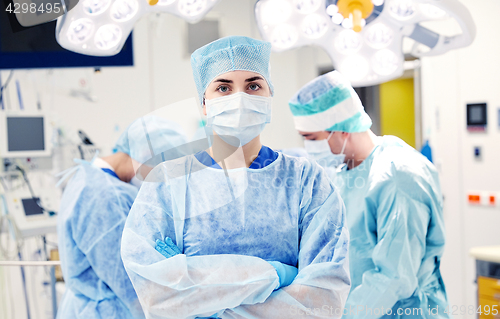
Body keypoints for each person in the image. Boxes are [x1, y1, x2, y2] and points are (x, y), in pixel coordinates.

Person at [121, 36, 351, 319]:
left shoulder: (307, 181)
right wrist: (277, 275)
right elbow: (158, 295)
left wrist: (203, 298)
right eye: (223, 88)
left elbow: (323, 298)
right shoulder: (168, 183)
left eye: (253, 86)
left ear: (269, 97)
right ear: (204, 104)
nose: (240, 98)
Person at [288, 71, 449, 319]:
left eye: (312, 138)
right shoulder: (346, 172)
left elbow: (395, 276)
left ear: (341, 129)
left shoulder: (398, 177)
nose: (309, 148)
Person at [57, 116, 188, 319]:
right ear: (144, 157)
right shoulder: (107, 197)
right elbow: (130, 283)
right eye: (158, 172)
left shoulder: (89, 177)